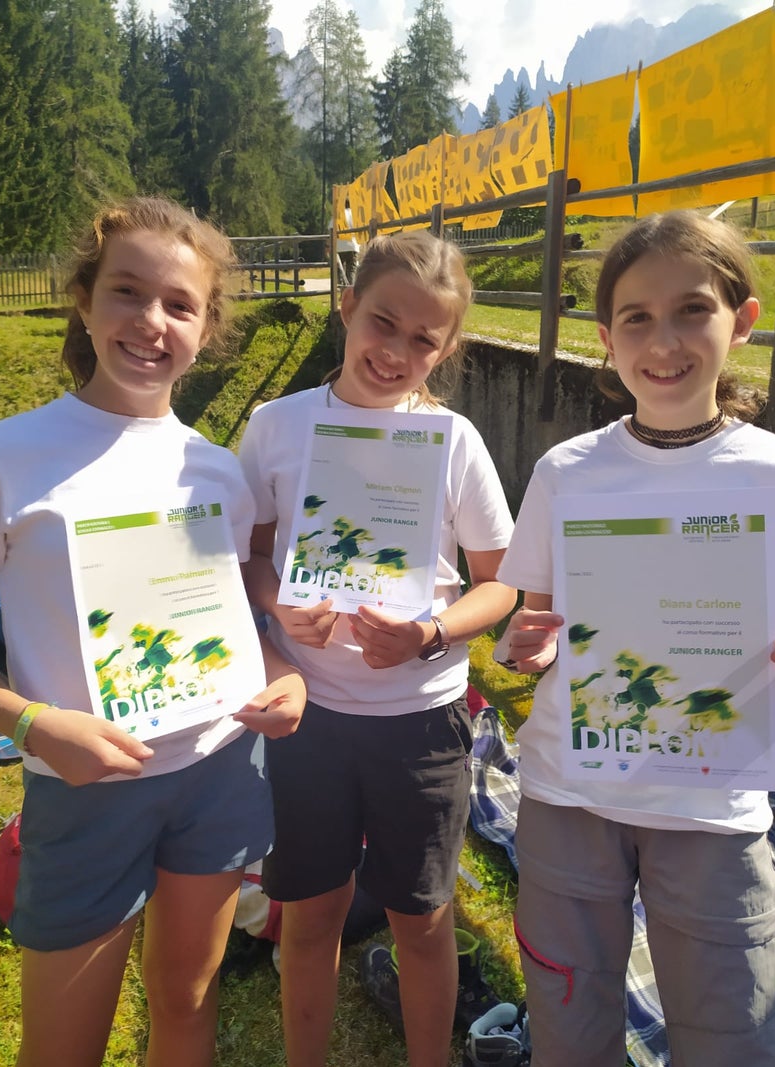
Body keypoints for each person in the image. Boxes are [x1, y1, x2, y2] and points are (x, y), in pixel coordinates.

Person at [0, 195, 306, 1067]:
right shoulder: (9, 456)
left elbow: (233, 614)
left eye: (179, 304)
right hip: (85, 790)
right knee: (64, 1048)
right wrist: (31, 723)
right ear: (84, 299)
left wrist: (283, 669)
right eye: (127, 291)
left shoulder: (217, 468)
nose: (151, 322)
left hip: (219, 769)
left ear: (206, 330)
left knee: (187, 1000)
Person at [495, 209, 775, 1066]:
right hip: (569, 794)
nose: (663, 341)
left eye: (692, 310)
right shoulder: (566, 471)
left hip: (713, 807)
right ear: (606, 337)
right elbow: (534, 624)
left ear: (743, 320)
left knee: (734, 1039)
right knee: (568, 1031)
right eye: (637, 317)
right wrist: (527, 644)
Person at [238, 229, 516, 1067]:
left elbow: (501, 583)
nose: (396, 352)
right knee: (310, 918)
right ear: (348, 305)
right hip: (311, 718)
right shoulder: (276, 425)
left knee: (422, 922)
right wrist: (280, 605)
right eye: (383, 323)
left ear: (447, 348)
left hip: (422, 724)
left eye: (424, 339)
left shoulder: (454, 440)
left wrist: (432, 633)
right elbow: (251, 555)